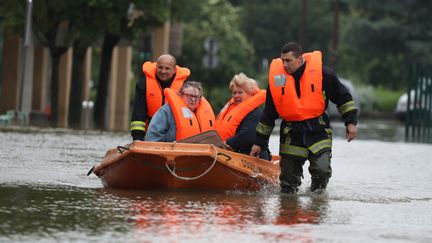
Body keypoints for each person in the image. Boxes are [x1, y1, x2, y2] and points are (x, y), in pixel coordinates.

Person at [250, 42, 358, 193]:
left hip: (318, 129)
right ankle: (289, 213)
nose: (285, 65)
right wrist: (259, 142)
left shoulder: (323, 74)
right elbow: (269, 113)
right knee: (288, 184)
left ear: (300, 59)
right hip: (291, 132)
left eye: (288, 60)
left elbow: (343, 97)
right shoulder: (278, 79)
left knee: (322, 171)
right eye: (282, 61)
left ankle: (315, 204)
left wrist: (351, 123)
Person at [130, 54, 191, 141]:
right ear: (156, 67)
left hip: (176, 135)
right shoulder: (143, 84)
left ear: (174, 70)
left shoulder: (185, 87)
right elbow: (138, 113)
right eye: (160, 67)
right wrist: (137, 139)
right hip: (150, 134)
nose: (163, 71)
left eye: (167, 68)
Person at [215, 73, 271, 160]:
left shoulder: (256, 113)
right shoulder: (232, 110)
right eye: (234, 93)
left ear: (250, 93)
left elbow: (247, 136)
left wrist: (227, 143)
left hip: (253, 157)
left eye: (240, 92)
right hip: (233, 154)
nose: (236, 96)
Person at [145, 81, 216, 142]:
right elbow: (153, 136)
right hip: (172, 154)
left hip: (197, 155)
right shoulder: (166, 111)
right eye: (189, 96)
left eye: (196, 97)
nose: (193, 100)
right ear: (181, 95)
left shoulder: (204, 115)